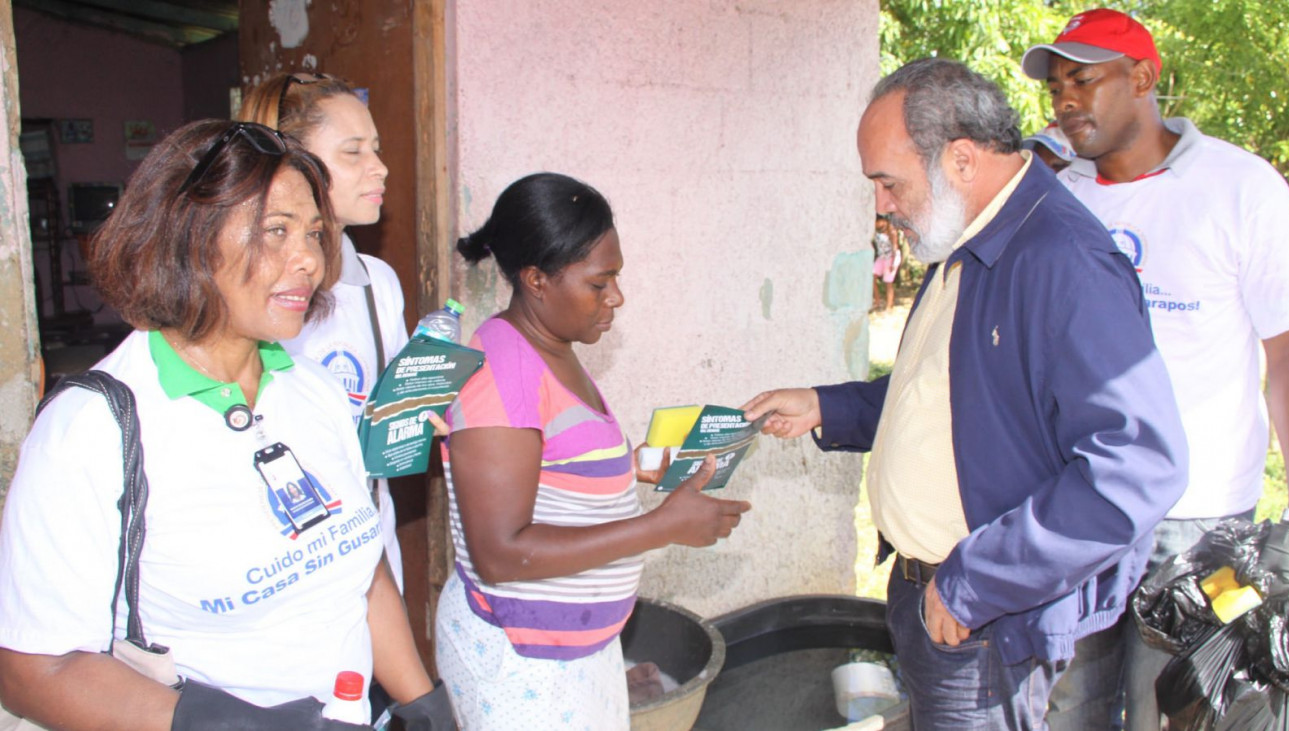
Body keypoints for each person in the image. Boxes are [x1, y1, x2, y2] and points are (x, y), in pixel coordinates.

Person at [741, 58, 1188, 729]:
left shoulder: (1061, 262)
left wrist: (977, 578)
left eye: (887, 183)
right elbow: (949, 392)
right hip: (935, 597)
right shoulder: (966, 239)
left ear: (960, 159)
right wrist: (826, 405)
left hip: (981, 619)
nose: (880, 206)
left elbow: (1138, 465)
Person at [0, 120, 443, 729]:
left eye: (315, 233)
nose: (310, 259)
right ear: (188, 237)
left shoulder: (312, 391)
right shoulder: (93, 428)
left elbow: (356, 571)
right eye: (276, 232)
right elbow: (33, 670)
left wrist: (424, 705)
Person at [1021, 8, 1289, 730]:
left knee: (1173, 713)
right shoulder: (1058, 197)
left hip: (1197, 520)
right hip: (1077, 506)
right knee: (1066, 706)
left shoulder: (1242, 188)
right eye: (1056, 89)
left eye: (1084, 80)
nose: (1067, 101)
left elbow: (1288, 355)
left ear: (1144, 78)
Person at [436, 172, 752, 729]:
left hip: (568, 651)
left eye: (617, 278)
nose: (617, 297)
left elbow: (555, 468)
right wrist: (661, 526)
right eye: (599, 283)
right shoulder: (504, 369)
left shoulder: (551, 346)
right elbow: (500, 552)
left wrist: (650, 468)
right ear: (537, 280)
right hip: (522, 663)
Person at [238, 72, 410, 593]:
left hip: (370, 554)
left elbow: (390, 416)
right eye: (353, 151)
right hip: (280, 563)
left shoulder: (377, 282)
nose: (379, 167)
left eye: (375, 148)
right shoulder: (248, 296)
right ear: (292, 164)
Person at [871, 215, 902, 310]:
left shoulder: (891, 231)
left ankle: (889, 305)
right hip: (881, 257)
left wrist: (894, 263)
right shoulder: (876, 231)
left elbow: (895, 247)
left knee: (888, 282)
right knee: (871, 278)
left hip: (890, 258)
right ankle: (877, 301)